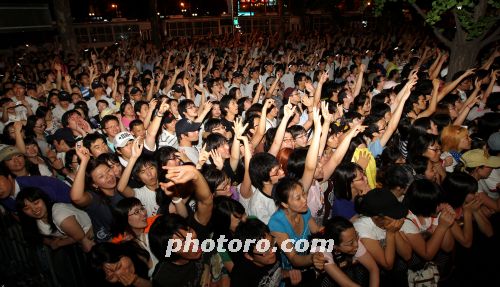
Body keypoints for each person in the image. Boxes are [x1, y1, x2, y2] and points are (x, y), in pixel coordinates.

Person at [148, 165, 213, 287]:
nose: (193, 241)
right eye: (182, 243)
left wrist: (195, 174)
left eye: (189, 231)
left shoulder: (194, 234)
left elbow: (206, 201)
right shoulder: (164, 279)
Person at [268, 177, 325, 286]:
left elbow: (316, 231)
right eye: (298, 198)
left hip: (308, 264)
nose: (305, 200)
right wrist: (313, 258)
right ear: (285, 204)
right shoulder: (276, 223)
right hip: (290, 275)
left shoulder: (304, 210)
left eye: (304, 194)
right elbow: (294, 258)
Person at [318, 216, 379, 287]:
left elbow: (373, 268)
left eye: (356, 236)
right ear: (334, 246)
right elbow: (347, 284)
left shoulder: (351, 239)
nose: (356, 244)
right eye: (350, 243)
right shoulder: (321, 250)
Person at [230, 218, 283, 287]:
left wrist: (288, 274)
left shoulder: (272, 245)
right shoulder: (241, 277)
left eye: (272, 244)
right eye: (266, 250)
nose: (273, 251)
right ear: (249, 256)